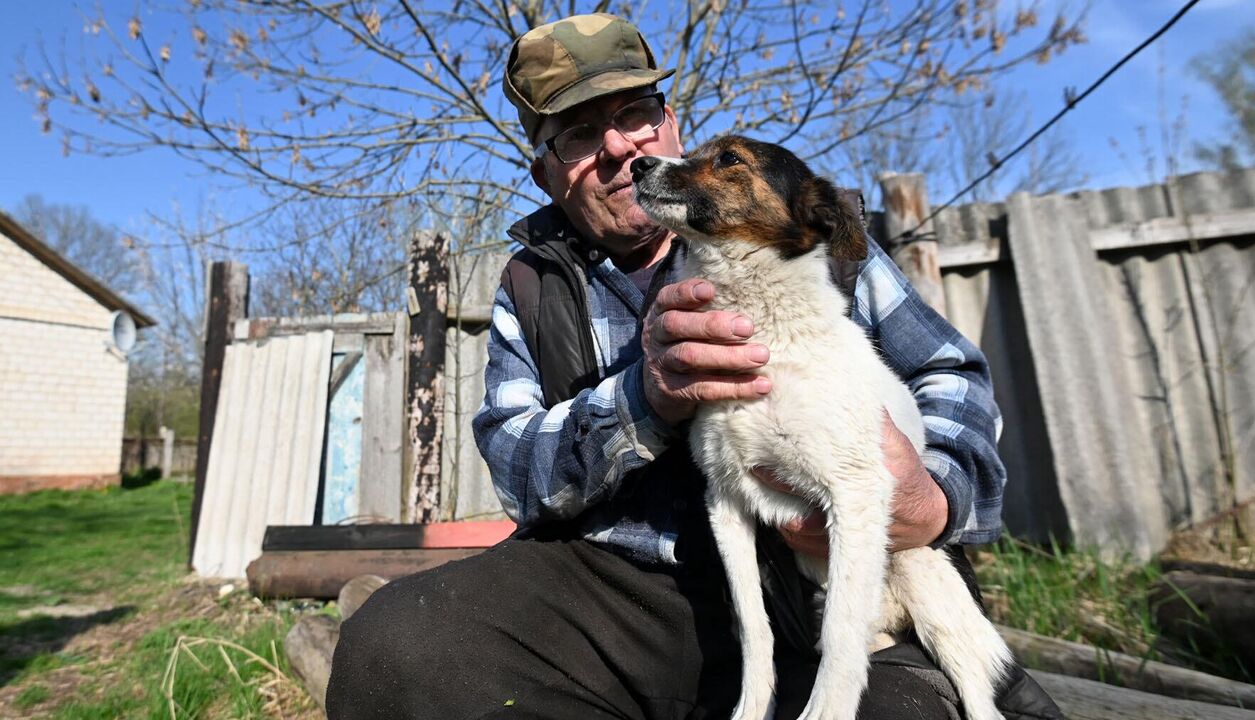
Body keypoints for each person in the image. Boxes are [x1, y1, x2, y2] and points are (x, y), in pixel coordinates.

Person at [327, 13, 1061, 720]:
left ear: (670, 123)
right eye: (580, 133)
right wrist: (642, 400)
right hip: (625, 586)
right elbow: (519, 470)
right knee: (395, 650)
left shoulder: (801, 237)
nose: (618, 147)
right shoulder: (534, 283)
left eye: (636, 112)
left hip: (827, 581)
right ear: (546, 172)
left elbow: (950, 373)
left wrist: (932, 499)